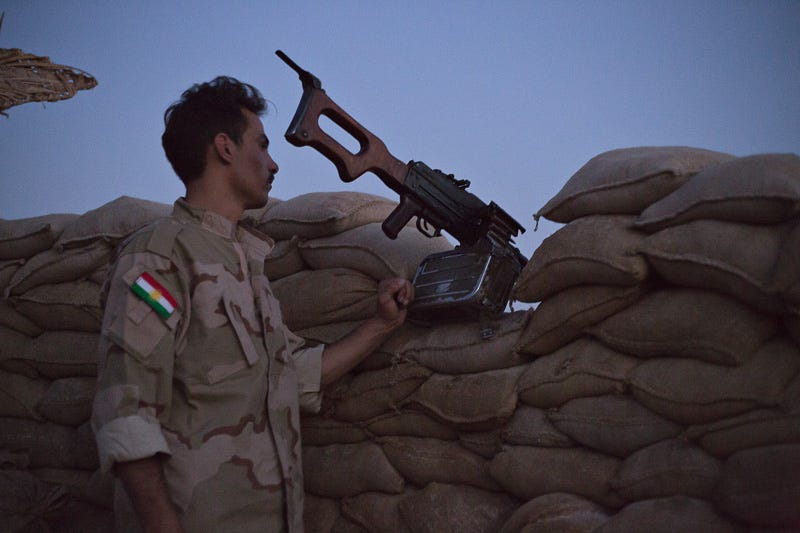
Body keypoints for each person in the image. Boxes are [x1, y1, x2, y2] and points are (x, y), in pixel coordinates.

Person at [91, 76, 413, 532]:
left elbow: (293, 379)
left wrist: (380, 325)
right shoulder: (160, 257)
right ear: (224, 148)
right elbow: (126, 408)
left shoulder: (247, 267)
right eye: (262, 145)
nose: (274, 163)